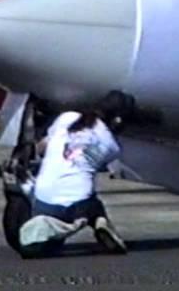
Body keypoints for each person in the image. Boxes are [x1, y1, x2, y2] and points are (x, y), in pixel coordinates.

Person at [17, 91, 133, 258]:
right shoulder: (112, 146)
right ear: (118, 120)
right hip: (79, 204)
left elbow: (42, 148)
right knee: (92, 200)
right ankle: (98, 221)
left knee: (45, 241)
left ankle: (48, 225)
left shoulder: (66, 117)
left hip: (43, 199)